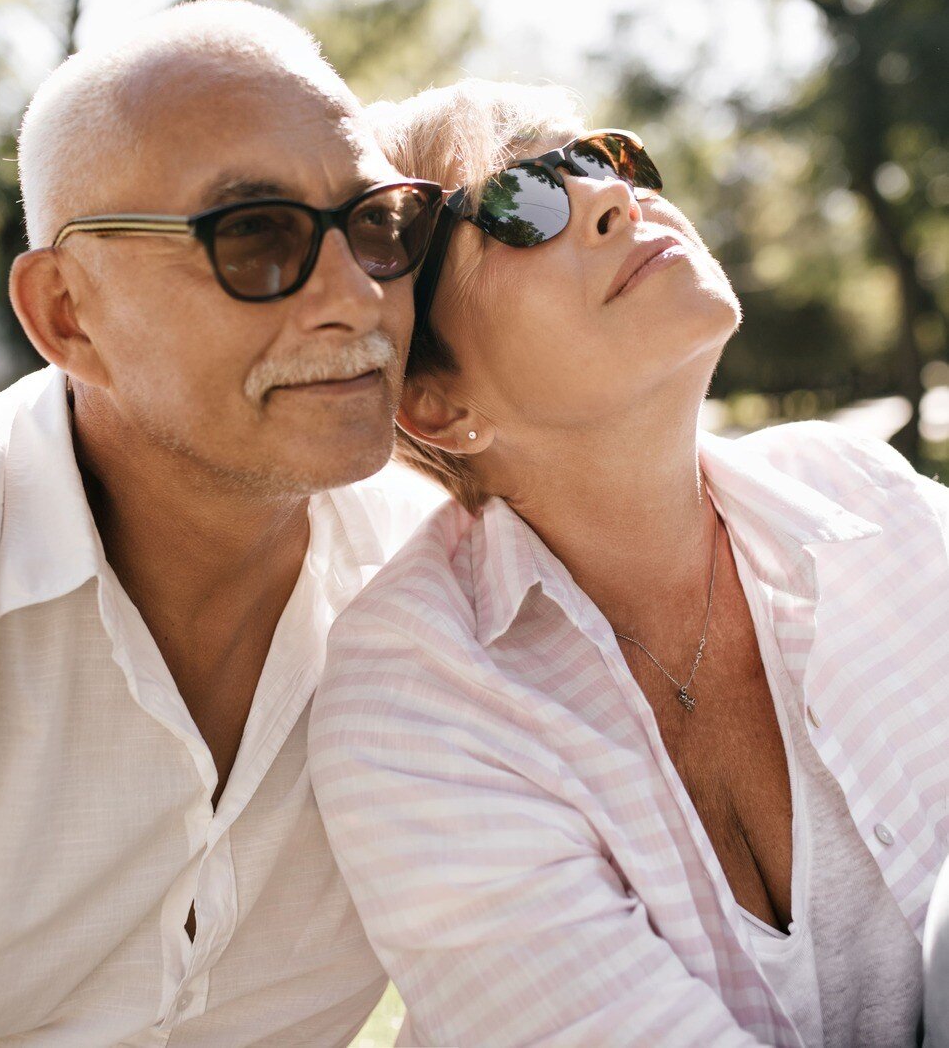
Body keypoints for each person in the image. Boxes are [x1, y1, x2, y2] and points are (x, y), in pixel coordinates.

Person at [308, 78, 949, 1047]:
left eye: (609, 159)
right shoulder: (415, 699)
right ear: (438, 404)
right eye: (520, 202)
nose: (616, 198)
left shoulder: (868, 501)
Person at [0, 0, 443, 1045]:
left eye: (378, 223)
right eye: (256, 236)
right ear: (66, 316)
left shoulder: (451, 602)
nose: (359, 295)